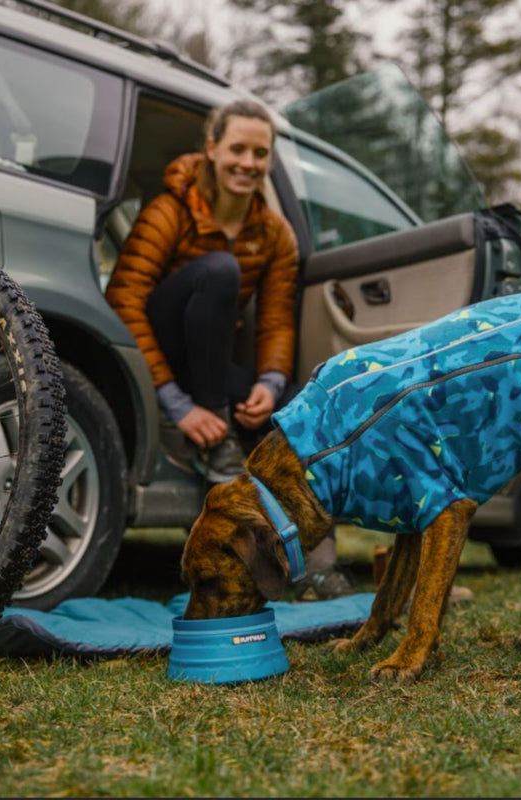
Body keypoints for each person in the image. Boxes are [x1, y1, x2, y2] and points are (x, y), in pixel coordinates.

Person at [106, 99, 352, 600]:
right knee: (220, 270)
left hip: (212, 365)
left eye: (260, 153)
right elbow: (123, 299)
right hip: (159, 352)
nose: (248, 162)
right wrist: (178, 404)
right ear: (212, 149)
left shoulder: (274, 232)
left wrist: (269, 383)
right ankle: (215, 442)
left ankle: (315, 567)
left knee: (287, 423)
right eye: (237, 148)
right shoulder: (168, 210)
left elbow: (279, 319)